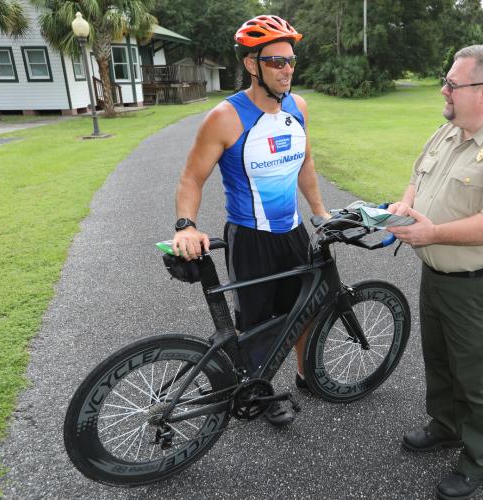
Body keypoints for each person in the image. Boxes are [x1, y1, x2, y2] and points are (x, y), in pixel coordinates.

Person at [387, 45, 483, 499]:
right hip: (435, 274)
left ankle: (478, 459)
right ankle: (445, 425)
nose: (445, 89)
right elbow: (418, 179)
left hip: (480, 284)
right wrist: (405, 205)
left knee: (474, 375)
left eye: (453, 84)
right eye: (447, 81)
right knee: (438, 359)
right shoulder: (448, 132)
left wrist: (432, 233)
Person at [172, 15, 329, 426]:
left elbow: (306, 164)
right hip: (251, 237)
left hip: (292, 231)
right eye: (276, 61)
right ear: (251, 65)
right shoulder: (225, 118)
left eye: (291, 60)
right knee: (257, 323)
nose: (287, 69)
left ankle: (304, 374)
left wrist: (320, 213)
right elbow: (192, 177)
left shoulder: (300, 107)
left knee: (303, 309)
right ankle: (261, 391)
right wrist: (185, 225)